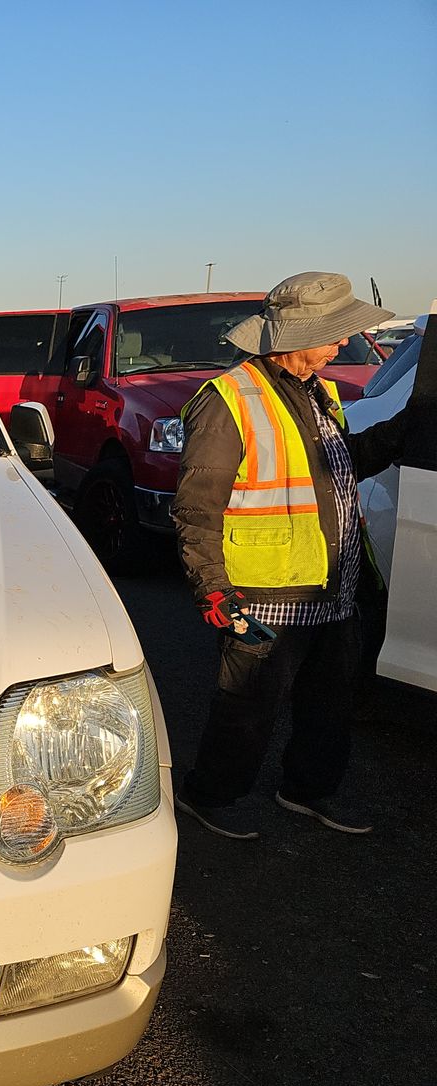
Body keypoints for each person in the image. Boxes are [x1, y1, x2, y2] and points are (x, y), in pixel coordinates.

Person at [171, 272, 407, 840]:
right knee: (246, 709)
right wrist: (213, 591)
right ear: (292, 336)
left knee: (329, 705)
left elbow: (340, 467)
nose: (339, 347)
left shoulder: (319, 391)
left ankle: (308, 790)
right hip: (264, 591)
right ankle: (210, 796)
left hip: (332, 584)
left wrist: (407, 428)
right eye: (332, 335)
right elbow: (196, 507)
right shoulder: (228, 400)